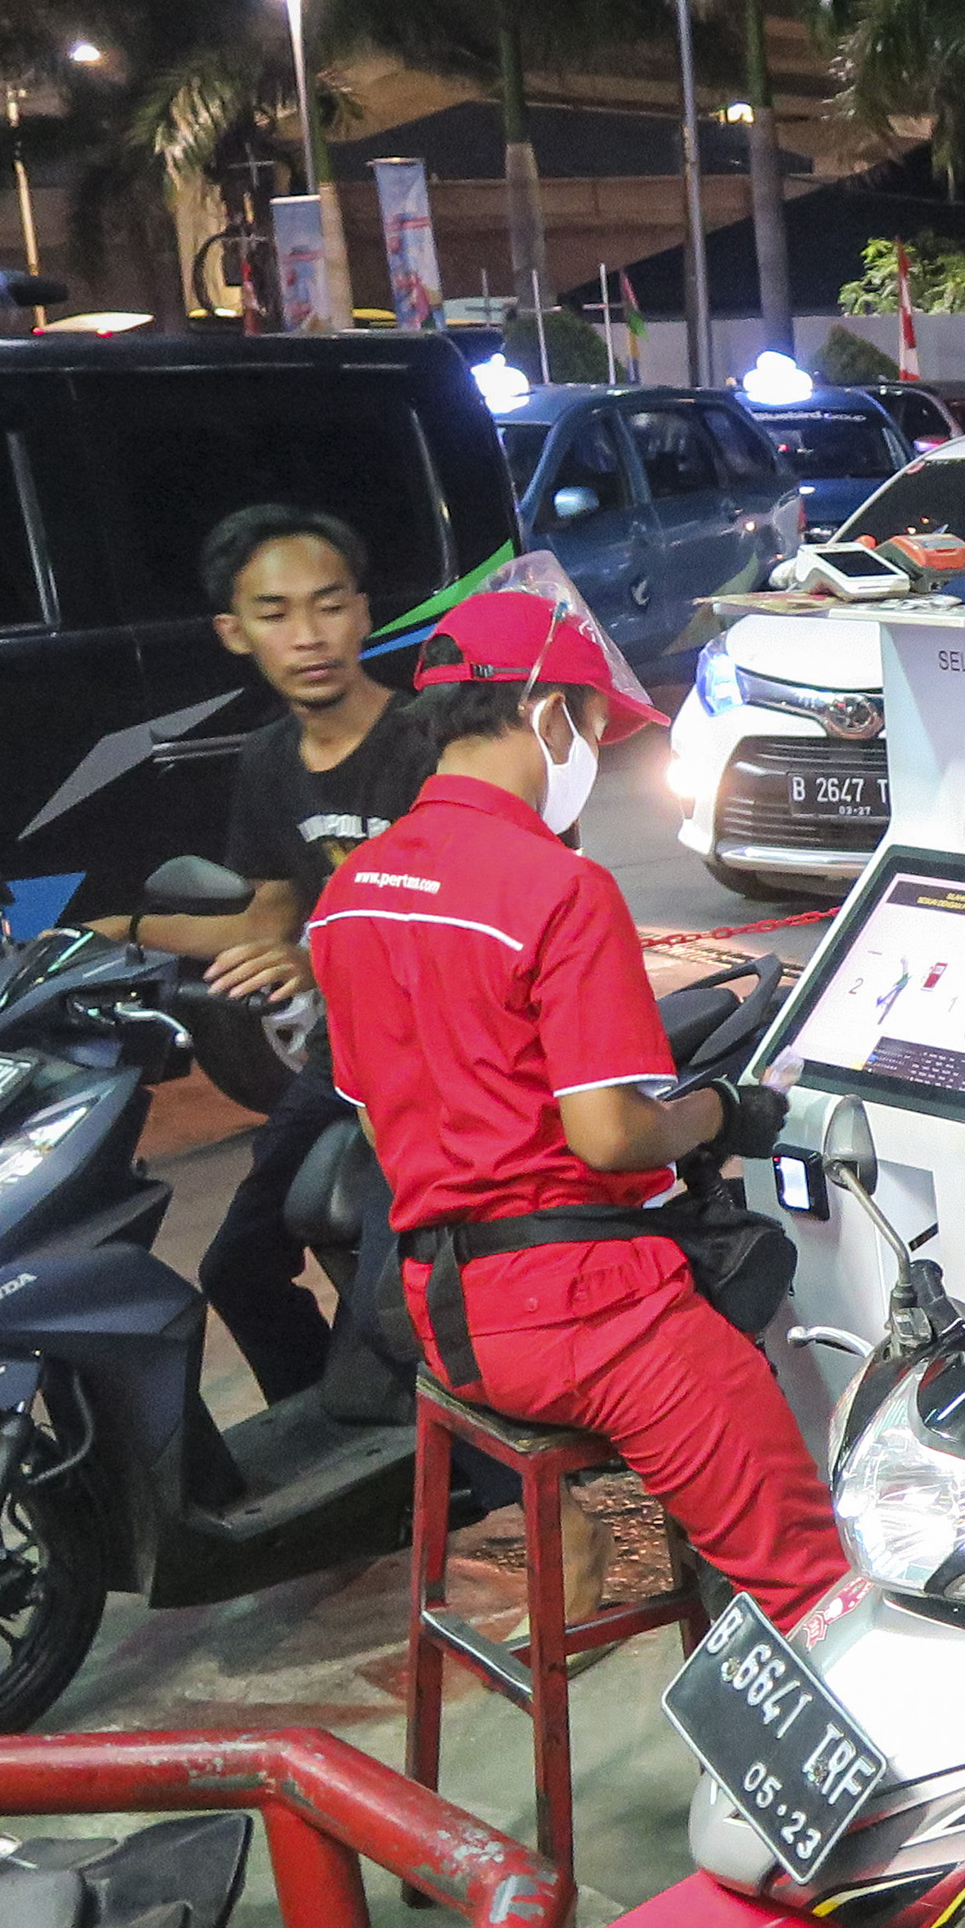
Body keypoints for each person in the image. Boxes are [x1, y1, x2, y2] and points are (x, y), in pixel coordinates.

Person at [303, 589, 844, 1632]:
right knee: (804, 1573)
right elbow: (611, 1135)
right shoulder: (559, 887)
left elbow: (382, 1126)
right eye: (594, 726)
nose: (592, 749)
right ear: (549, 713)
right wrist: (718, 1113)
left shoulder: (353, 890)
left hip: (437, 1310)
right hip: (586, 1317)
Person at [91, 505, 437, 1404]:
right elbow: (268, 917)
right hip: (342, 1060)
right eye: (275, 612)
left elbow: (461, 920)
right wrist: (114, 933)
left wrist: (326, 961)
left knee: (398, 1308)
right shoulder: (269, 758)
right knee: (236, 1268)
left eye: (329, 604)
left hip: (444, 1068)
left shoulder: (432, 743)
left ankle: (430, 1450)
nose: (308, 635)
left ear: (363, 612)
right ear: (234, 631)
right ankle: (329, 1450)